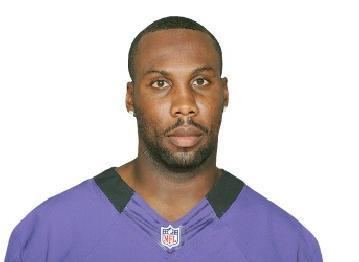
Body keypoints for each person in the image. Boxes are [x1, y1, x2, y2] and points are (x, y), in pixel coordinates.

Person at [5, 16, 322, 261]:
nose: (184, 104)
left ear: (224, 93)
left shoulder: (287, 244)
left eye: (200, 81)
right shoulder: (47, 235)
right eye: (160, 83)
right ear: (131, 98)